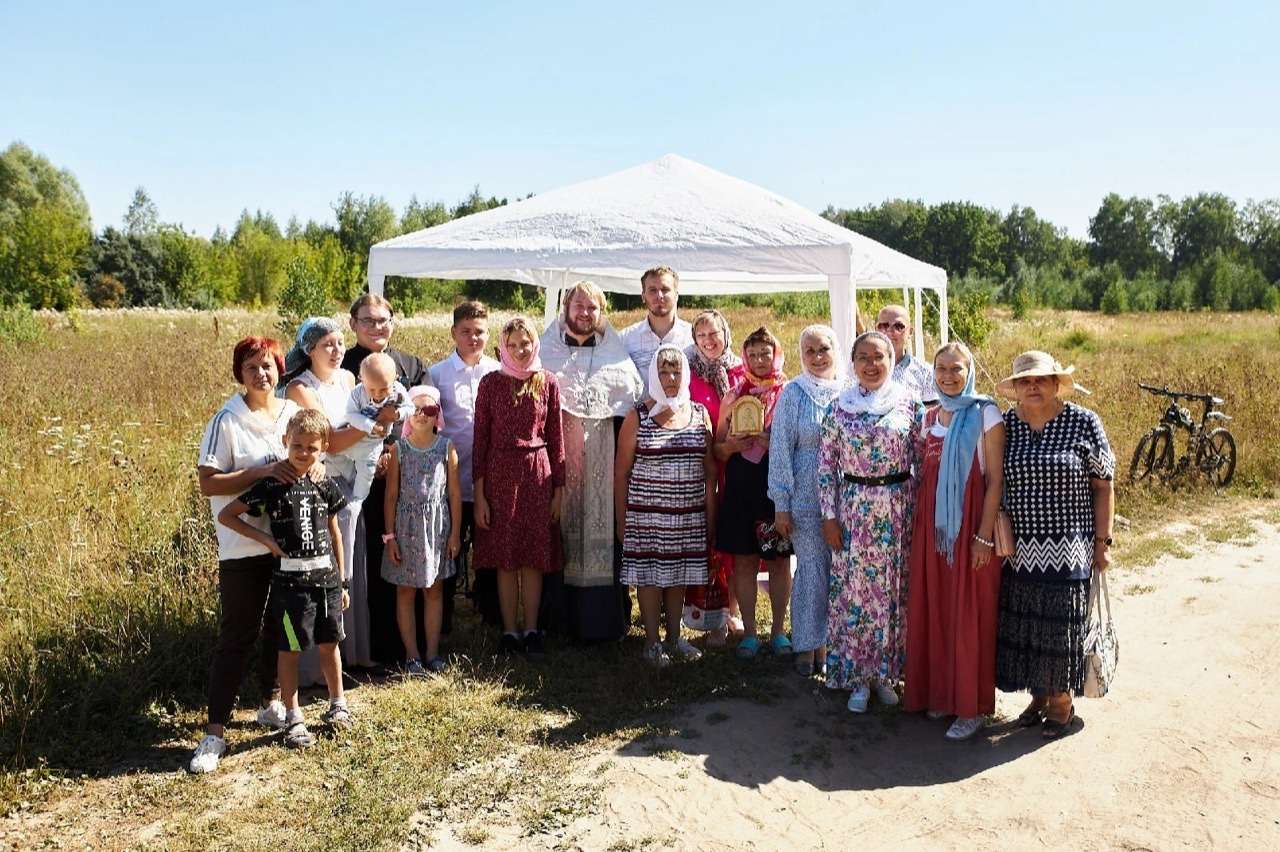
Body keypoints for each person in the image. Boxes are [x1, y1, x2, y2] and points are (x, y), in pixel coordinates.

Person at [189, 336, 301, 774]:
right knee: (238, 634)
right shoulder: (226, 420)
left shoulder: (291, 414)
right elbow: (209, 483)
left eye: (269, 365)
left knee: (280, 626)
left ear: (280, 369)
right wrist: (262, 472)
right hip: (242, 546)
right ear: (240, 373)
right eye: (252, 366)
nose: (262, 374)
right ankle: (214, 732)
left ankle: (270, 702)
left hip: (288, 543)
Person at [994, 350, 1114, 739]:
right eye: (1024, 381)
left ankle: (1062, 704)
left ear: (1055, 383)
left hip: (1070, 550)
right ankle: (1040, 695)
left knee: (1061, 631)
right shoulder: (1007, 424)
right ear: (1014, 389)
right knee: (1027, 630)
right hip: (1020, 550)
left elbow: (1103, 485)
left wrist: (1103, 542)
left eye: (1040, 379)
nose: (1032, 386)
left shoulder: (1083, 422)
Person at [217, 409, 351, 750]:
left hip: (327, 584)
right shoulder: (273, 485)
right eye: (297, 446)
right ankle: (294, 717)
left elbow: (335, 532)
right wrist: (266, 541)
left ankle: (338, 705)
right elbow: (227, 514)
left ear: (323, 449)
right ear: (285, 443)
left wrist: (343, 580)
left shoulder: (324, 482)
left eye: (312, 447)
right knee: (289, 649)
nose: (304, 453)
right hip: (290, 588)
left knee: (329, 644)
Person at [903, 342, 1006, 740]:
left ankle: (972, 705)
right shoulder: (931, 415)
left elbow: (995, 480)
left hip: (970, 525)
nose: (948, 376)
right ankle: (942, 695)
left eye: (956, 369)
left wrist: (983, 536)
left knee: (969, 613)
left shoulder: (985, 413)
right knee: (938, 608)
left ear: (970, 371)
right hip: (932, 528)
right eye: (941, 368)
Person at [818, 331, 924, 713]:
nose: (871, 364)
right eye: (862, 356)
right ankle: (858, 678)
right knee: (857, 595)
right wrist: (829, 517)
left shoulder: (910, 406)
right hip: (853, 511)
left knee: (892, 595)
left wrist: (921, 518)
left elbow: (921, 463)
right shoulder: (838, 408)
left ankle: (885, 674)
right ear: (852, 361)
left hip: (898, 510)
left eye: (878, 356)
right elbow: (826, 468)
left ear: (891, 359)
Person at [539, 282, 643, 642]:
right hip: (562, 461)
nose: (585, 313)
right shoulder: (546, 353)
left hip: (603, 457)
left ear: (601, 312)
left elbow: (629, 398)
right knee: (561, 533)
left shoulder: (617, 357)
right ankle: (559, 624)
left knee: (602, 533)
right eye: (578, 306)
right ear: (566, 308)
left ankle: (604, 623)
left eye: (592, 307)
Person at [341, 294, 433, 667]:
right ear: (353, 324)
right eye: (368, 321)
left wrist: (396, 451)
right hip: (355, 476)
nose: (377, 327)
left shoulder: (411, 365)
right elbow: (339, 416)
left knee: (404, 555)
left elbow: (423, 416)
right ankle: (365, 646)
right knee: (364, 559)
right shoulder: (343, 365)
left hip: (406, 479)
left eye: (383, 320)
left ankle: (407, 645)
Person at [281, 317, 374, 676]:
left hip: (352, 483)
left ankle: (351, 657)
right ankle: (314, 670)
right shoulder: (300, 390)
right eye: (328, 345)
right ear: (310, 350)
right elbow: (329, 441)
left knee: (350, 563)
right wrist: (372, 424)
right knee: (323, 570)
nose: (337, 351)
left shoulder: (349, 379)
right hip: (318, 485)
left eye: (339, 343)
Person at [616, 345, 715, 666]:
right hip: (648, 518)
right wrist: (621, 520)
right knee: (650, 578)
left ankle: (674, 640)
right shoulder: (638, 415)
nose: (671, 378)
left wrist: (710, 518)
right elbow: (621, 472)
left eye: (676, 371)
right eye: (664, 371)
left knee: (678, 576)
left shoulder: (700, 414)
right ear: (653, 376)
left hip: (687, 516)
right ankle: (651, 643)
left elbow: (709, 471)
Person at [473, 316, 566, 658]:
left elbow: (556, 440)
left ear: (534, 344)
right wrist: (480, 493)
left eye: (525, 343)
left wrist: (559, 489)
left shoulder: (548, 382)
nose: (520, 350)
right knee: (506, 557)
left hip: (537, 473)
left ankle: (532, 629)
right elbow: (479, 440)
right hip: (499, 473)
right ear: (503, 347)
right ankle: (510, 631)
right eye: (512, 345)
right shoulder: (491, 384)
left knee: (533, 555)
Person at [768, 325, 846, 677]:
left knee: (839, 572)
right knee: (812, 570)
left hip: (846, 497)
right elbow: (780, 449)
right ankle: (806, 645)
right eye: (810, 350)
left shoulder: (849, 392)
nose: (817, 357)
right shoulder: (793, 393)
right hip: (804, 495)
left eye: (824, 349)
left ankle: (832, 645)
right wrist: (780, 503)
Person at [714, 326, 792, 659]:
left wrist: (772, 443)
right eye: (754, 354)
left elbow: (798, 445)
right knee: (744, 561)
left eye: (766, 353)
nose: (760, 360)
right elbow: (715, 449)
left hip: (774, 487)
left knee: (778, 561)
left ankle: (777, 632)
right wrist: (730, 445)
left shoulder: (790, 393)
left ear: (776, 354)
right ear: (745, 357)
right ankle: (749, 631)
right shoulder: (733, 395)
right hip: (741, 485)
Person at [429, 301, 501, 628]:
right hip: (450, 481)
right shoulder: (437, 374)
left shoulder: (498, 373)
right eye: (466, 332)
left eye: (480, 332)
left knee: (488, 552)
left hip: (488, 480)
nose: (473, 338)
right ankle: (441, 618)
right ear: (453, 333)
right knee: (448, 549)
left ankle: (490, 614)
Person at [382, 386, 463, 675]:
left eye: (429, 410)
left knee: (433, 590)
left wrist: (454, 534)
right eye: (416, 410)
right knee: (405, 591)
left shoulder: (446, 447)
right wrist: (389, 536)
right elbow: (391, 496)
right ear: (407, 415)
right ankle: (412, 655)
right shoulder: (399, 449)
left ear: (437, 415)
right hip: (405, 529)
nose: (422, 415)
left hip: (436, 528)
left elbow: (454, 494)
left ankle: (432, 653)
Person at [683, 309, 746, 643]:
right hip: (700, 465)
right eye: (701, 335)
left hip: (736, 465)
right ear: (694, 340)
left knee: (732, 540)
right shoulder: (687, 373)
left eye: (714, 333)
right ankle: (709, 613)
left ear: (726, 333)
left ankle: (732, 611)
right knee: (707, 537)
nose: (709, 340)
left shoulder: (741, 370)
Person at [620, 265, 694, 394]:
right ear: (643, 296)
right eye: (652, 290)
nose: (659, 295)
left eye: (665, 289)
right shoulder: (625, 339)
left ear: (676, 295)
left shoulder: (694, 337)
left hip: (685, 413)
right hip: (638, 413)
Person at [875, 304, 939, 405]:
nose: (890, 331)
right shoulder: (860, 369)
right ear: (876, 329)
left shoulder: (926, 373)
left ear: (910, 332)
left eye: (898, 326)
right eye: (884, 326)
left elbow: (931, 415)